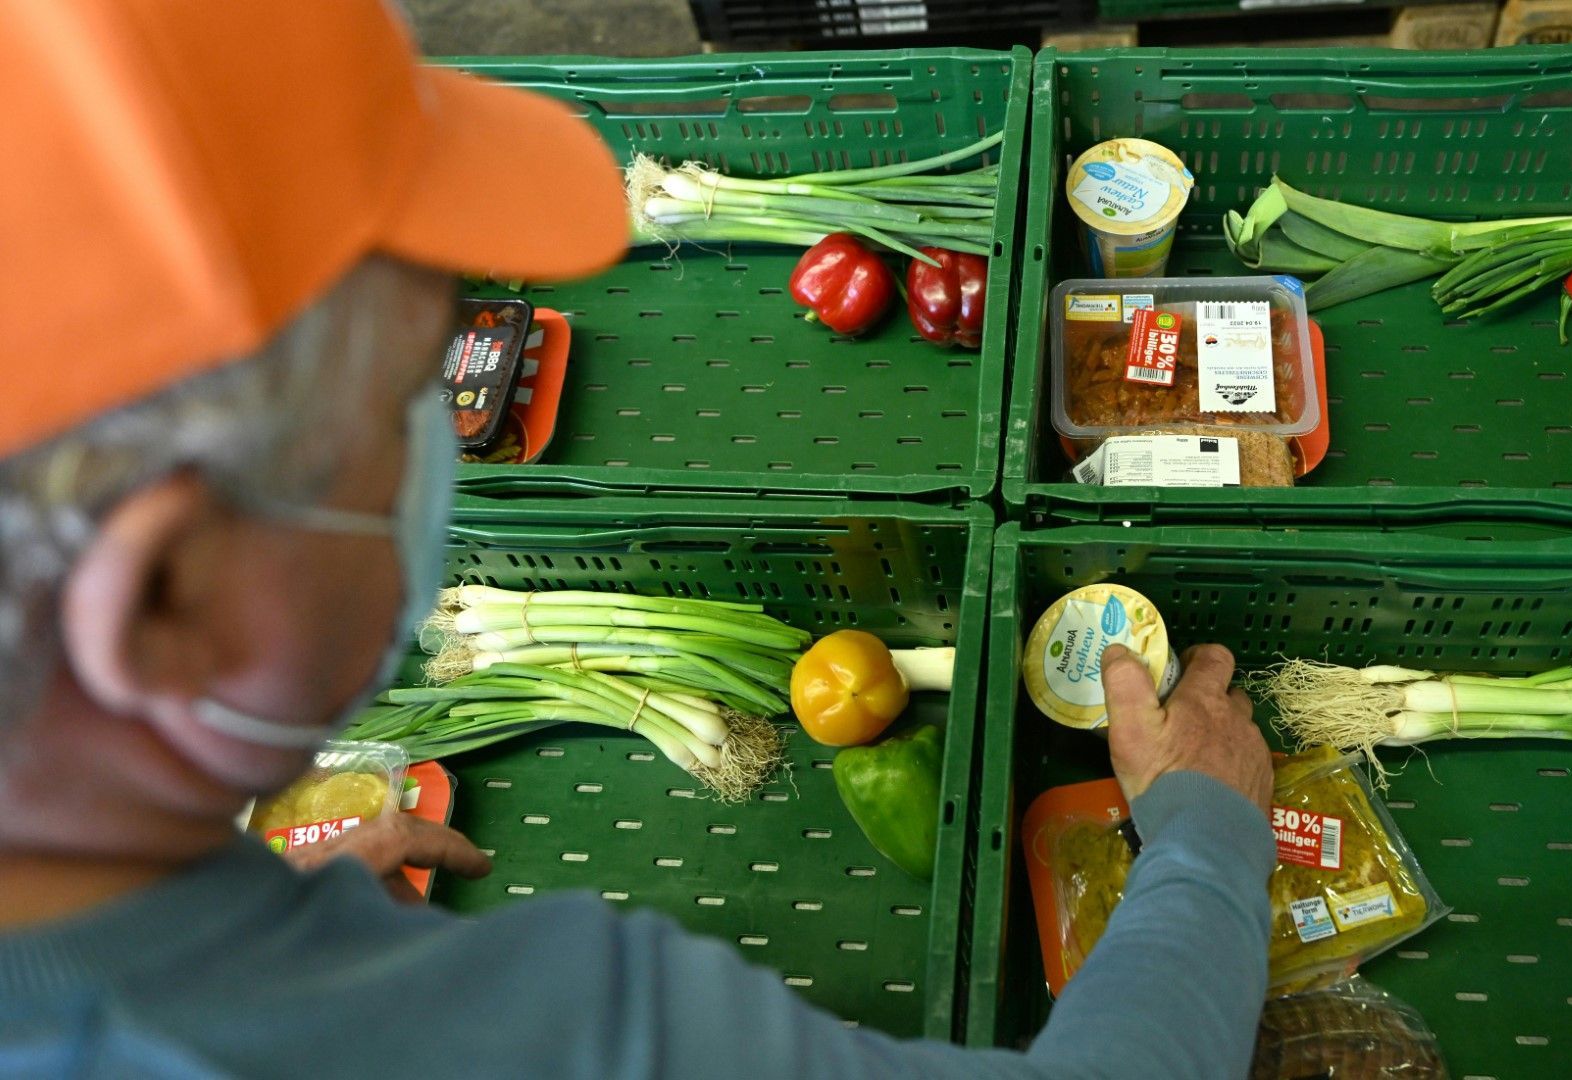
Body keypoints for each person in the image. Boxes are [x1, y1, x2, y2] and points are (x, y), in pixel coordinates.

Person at [0, 2, 1278, 1077]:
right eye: (404, 394)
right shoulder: (554, 1036)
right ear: (161, 602)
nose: (450, 433)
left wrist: (255, 897)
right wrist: (1210, 838)